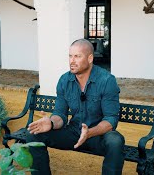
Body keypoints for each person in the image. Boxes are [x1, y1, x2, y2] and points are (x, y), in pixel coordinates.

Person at [27, 39, 125, 175]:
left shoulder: (107, 80)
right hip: (74, 132)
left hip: (97, 135)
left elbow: (111, 120)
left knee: (115, 141)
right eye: (70, 56)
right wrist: (51, 122)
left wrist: (90, 132)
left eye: (77, 56)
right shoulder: (64, 80)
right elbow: (60, 114)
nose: (72, 61)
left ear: (90, 58)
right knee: (33, 135)